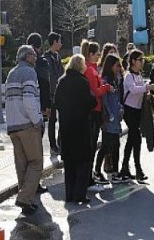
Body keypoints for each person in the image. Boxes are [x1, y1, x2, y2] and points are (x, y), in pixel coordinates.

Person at [5, 45, 45, 215]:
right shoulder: (29, 73)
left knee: (21, 165)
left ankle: (26, 199)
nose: (36, 58)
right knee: (36, 162)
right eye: (34, 55)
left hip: (13, 126)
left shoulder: (11, 73)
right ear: (27, 57)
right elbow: (29, 100)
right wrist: (37, 120)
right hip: (27, 125)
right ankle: (24, 199)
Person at [55, 54, 97, 203]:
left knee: (70, 164)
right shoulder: (82, 82)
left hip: (66, 126)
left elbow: (57, 102)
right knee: (83, 162)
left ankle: (69, 194)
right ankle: (79, 194)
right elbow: (89, 102)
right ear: (81, 66)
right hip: (80, 127)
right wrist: (92, 99)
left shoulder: (62, 81)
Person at [81, 40, 112, 190]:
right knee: (90, 147)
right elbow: (95, 91)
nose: (100, 56)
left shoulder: (91, 68)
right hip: (93, 111)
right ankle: (88, 180)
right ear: (91, 54)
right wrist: (106, 88)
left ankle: (89, 178)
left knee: (91, 146)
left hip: (95, 111)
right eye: (98, 54)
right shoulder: (89, 69)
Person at [120, 49, 154, 182]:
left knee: (131, 140)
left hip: (137, 111)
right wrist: (147, 88)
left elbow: (141, 90)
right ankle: (138, 169)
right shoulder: (129, 76)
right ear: (133, 61)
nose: (142, 62)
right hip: (129, 111)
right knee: (136, 140)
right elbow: (134, 90)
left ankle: (124, 168)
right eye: (140, 60)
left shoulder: (138, 75)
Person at [95, 54, 130, 184]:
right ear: (110, 66)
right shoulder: (105, 80)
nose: (119, 68)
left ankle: (114, 173)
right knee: (106, 146)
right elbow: (105, 100)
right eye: (117, 65)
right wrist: (111, 115)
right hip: (110, 119)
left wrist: (120, 108)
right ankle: (98, 171)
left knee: (114, 145)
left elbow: (117, 98)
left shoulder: (115, 80)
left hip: (115, 118)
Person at [26, 33, 50, 193]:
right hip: (37, 108)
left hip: (22, 113)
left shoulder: (20, 62)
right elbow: (45, 84)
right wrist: (46, 106)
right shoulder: (40, 62)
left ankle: (27, 183)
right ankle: (35, 183)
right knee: (36, 150)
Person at [43, 32, 63, 154]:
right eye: (59, 41)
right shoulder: (46, 58)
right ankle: (52, 145)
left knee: (62, 118)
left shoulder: (57, 56)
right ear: (54, 42)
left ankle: (60, 141)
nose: (60, 44)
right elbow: (50, 76)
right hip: (51, 93)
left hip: (60, 92)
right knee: (52, 120)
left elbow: (61, 72)